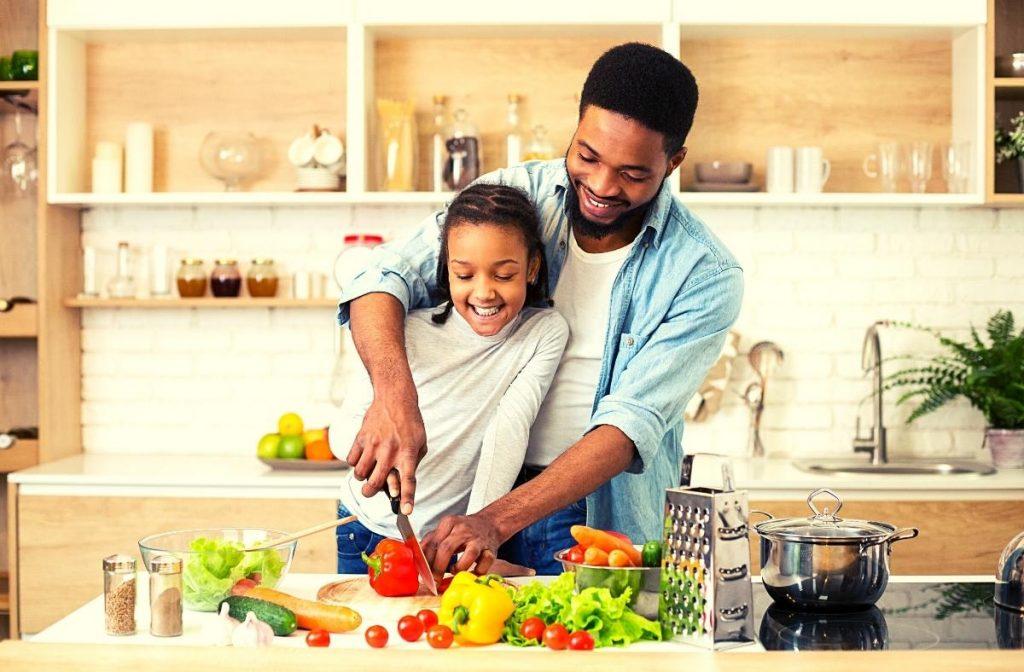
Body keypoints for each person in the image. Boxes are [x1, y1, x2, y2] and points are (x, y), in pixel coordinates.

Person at [338, 42, 744, 575]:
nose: (601, 186)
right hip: (463, 496)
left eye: (633, 174)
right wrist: (393, 396)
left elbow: (629, 427)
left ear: (673, 163)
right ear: (575, 127)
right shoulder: (511, 195)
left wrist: (495, 520)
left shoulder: (703, 273)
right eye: (588, 156)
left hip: (586, 519)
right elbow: (380, 278)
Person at [329, 183, 569, 573]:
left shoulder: (543, 332)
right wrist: (374, 457)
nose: (484, 292)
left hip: (444, 541)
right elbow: (340, 437)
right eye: (465, 274)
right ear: (446, 269)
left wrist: (476, 535)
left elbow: (508, 432)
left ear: (532, 268)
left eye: (504, 275)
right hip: (364, 529)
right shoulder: (404, 328)